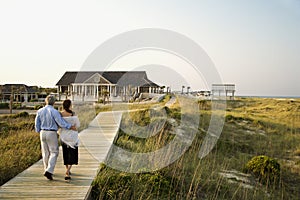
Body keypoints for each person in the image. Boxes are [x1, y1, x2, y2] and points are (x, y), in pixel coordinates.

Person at [35, 95, 76, 180]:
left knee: (45, 153)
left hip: (42, 132)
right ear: (53, 102)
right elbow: (60, 122)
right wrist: (69, 126)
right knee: (54, 152)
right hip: (51, 132)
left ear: (46, 101)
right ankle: (49, 171)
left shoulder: (40, 111)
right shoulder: (54, 111)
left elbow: (37, 123)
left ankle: (46, 169)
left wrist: (39, 131)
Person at [58, 99, 80, 180]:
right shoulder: (73, 114)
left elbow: (59, 124)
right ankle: (68, 170)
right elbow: (77, 125)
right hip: (72, 136)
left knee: (65, 153)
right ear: (70, 105)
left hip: (64, 135)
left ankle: (67, 169)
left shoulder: (60, 114)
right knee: (73, 153)